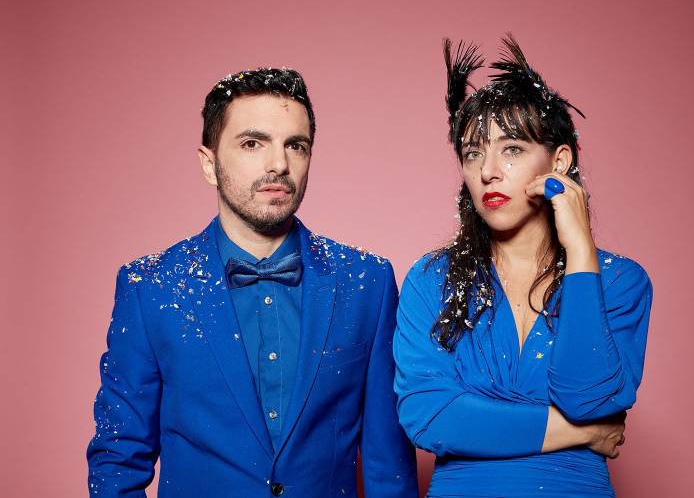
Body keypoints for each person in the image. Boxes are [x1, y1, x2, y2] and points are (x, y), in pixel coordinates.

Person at [87, 67, 418, 497]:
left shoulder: (367, 283)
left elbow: (389, 467)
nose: (278, 164)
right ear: (209, 164)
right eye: (252, 143)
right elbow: (118, 459)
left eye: (295, 145)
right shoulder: (149, 287)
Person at [393, 35, 653, 497]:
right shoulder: (429, 280)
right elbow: (430, 418)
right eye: (473, 153)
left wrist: (580, 250)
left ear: (559, 161)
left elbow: (589, 398)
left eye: (511, 149)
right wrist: (578, 432)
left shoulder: (620, 281)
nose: (488, 171)